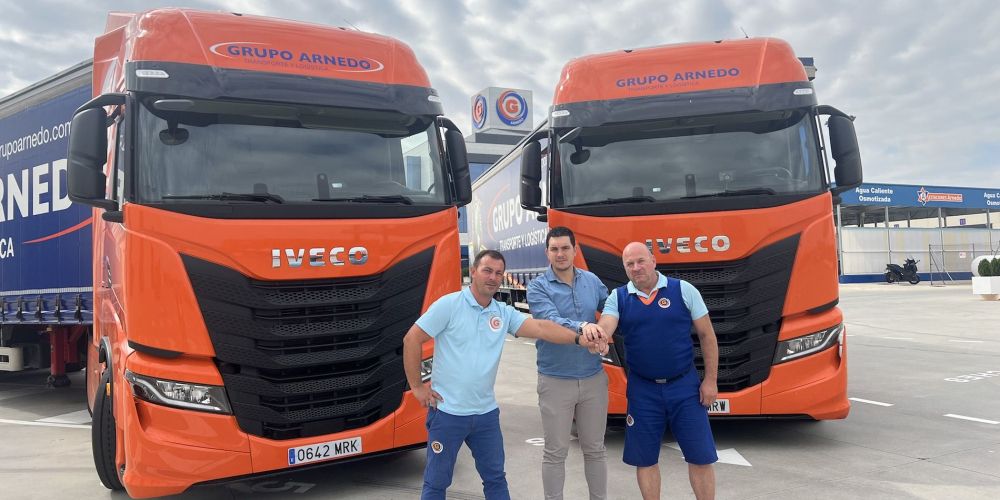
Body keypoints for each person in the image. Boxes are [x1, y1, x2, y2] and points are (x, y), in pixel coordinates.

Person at [403, 249, 608, 500]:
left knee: (495, 479)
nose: (493, 277)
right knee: (436, 483)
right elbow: (412, 339)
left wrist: (578, 338)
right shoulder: (449, 305)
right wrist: (417, 387)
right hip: (448, 413)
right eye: (487, 270)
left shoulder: (502, 312)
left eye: (498, 273)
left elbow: (542, 328)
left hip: (486, 415)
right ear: (474, 272)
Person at [595, 242, 720, 500]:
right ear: (624, 268)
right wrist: (599, 335)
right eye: (629, 264)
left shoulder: (683, 290)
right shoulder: (618, 297)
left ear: (653, 260)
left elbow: (707, 336)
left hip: (685, 387)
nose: (636, 268)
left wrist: (710, 380)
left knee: (700, 456)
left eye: (641, 261)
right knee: (645, 459)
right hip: (643, 389)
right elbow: (607, 324)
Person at [526, 226, 610, 500]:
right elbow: (549, 320)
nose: (560, 254)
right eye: (554, 249)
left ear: (575, 250)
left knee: (595, 449)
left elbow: (611, 307)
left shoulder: (592, 281)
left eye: (565, 248)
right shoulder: (537, 287)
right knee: (555, 452)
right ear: (547, 253)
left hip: (593, 378)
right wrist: (584, 327)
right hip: (555, 380)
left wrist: (606, 330)